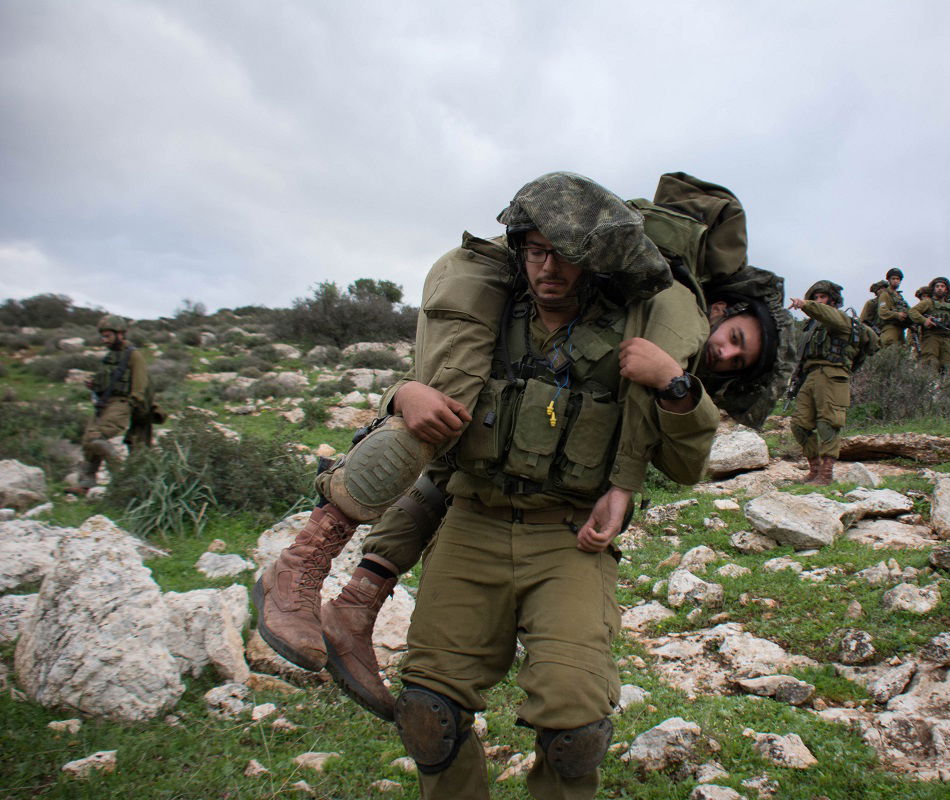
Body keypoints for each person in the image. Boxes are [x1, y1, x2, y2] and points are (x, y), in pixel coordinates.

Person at [255, 174, 791, 719]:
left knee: (461, 455)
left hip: (550, 507)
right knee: (439, 423)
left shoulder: (650, 320)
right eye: (734, 338)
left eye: (737, 359)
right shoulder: (657, 293)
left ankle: (352, 610)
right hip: (485, 476)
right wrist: (402, 393)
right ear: (726, 306)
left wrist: (637, 456)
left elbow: (645, 422)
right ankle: (299, 567)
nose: (724, 354)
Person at [392, 174, 719, 799]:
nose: (549, 269)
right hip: (472, 525)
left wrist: (675, 384)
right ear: (518, 250)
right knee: (428, 718)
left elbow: (683, 466)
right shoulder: (484, 318)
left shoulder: (631, 332)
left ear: (592, 261)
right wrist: (403, 395)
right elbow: (422, 392)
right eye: (535, 251)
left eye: (565, 255)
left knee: (576, 735)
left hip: (571, 540)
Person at [787, 280, 866, 485]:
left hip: (832, 374)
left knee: (827, 424)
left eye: (823, 298)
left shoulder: (839, 318)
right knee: (799, 424)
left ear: (832, 300)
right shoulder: (811, 327)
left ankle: (827, 474)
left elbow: (827, 314)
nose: (819, 301)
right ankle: (814, 469)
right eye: (815, 298)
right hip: (810, 375)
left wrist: (805, 304)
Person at [65, 315, 148, 495]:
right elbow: (109, 378)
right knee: (88, 441)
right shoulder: (110, 356)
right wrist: (94, 383)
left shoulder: (133, 355)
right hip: (103, 403)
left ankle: (121, 478)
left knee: (96, 438)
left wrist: (132, 404)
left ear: (120, 334)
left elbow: (140, 384)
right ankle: (86, 483)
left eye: (108, 336)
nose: (104, 340)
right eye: (103, 336)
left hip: (121, 403)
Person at [907, 277, 950, 374]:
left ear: (946, 289)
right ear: (933, 289)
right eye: (937, 286)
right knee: (930, 363)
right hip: (932, 337)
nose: (939, 288)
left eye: (942, 286)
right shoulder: (928, 302)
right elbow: (912, 312)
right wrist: (924, 320)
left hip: (948, 338)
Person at [875, 267, 910, 346]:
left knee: (902, 353)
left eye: (897, 279)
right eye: (893, 279)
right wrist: (897, 315)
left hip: (901, 329)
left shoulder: (900, 297)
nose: (895, 281)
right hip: (890, 328)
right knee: (889, 351)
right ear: (889, 280)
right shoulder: (885, 294)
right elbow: (882, 312)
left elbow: (910, 311)